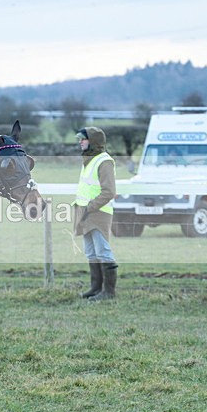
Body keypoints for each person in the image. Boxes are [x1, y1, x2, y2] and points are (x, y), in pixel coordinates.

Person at [73, 127, 118, 301]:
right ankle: (96, 288)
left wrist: (90, 207)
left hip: (98, 213)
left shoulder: (104, 161)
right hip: (86, 213)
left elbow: (109, 192)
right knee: (91, 252)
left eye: (83, 139)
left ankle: (109, 292)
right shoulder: (89, 160)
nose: (80, 142)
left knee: (103, 251)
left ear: (93, 141)